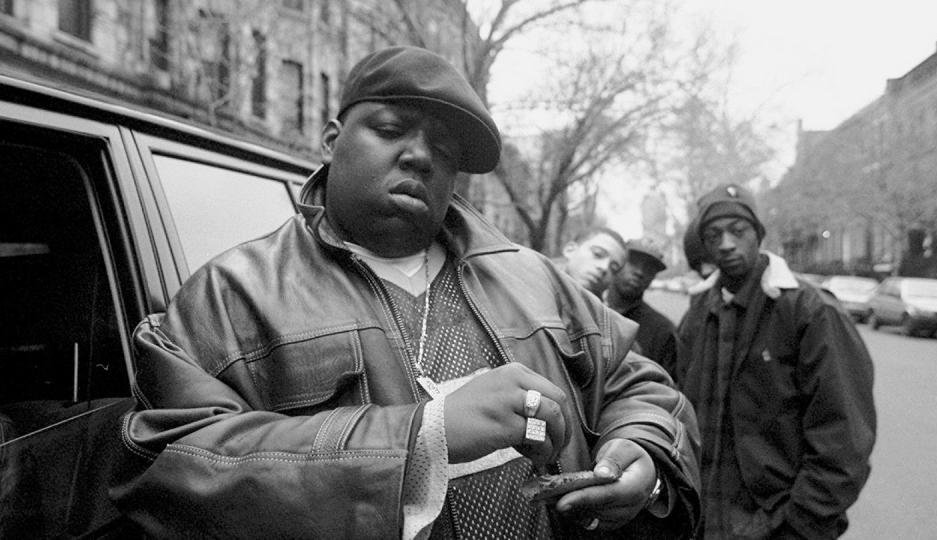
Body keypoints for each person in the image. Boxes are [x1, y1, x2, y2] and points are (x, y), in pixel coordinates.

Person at [110, 46, 701, 539]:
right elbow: (166, 467)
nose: (419, 155)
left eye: (443, 151)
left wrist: (642, 452)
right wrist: (421, 438)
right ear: (331, 139)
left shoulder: (533, 277)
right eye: (390, 129)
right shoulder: (230, 294)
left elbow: (640, 384)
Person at [674, 183, 876, 540]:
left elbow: (844, 437)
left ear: (758, 234)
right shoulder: (698, 315)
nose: (726, 243)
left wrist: (799, 523)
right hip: (704, 521)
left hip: (779, 524)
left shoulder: (810, 310)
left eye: (738, 231)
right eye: (713, 234)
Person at [605, 238, 677, 371]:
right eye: (633, 262)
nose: (640, 272)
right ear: (617, 263)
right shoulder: (591, 309)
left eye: (649, 268)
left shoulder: (662, 330)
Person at [554, 227, 627, 298]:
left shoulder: (600, 309)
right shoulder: (544, 278)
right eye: (598, 254)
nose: (604, 267)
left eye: (613, 269)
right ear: (570, 250)